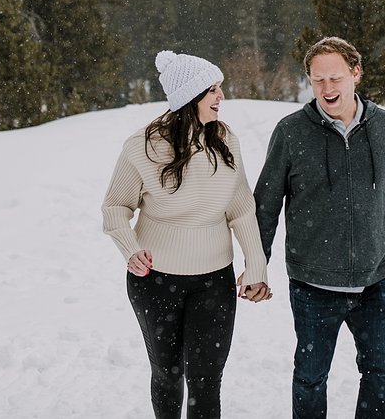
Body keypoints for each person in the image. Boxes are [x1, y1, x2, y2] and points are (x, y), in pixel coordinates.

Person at [254, 36, 385, 418]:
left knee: (380, 375)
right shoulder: (291, 132)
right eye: (317, 80)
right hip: (313, 286)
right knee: (309, 378)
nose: (327, 89)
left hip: (377, 284)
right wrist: (257, 267)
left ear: (356, 73)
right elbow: (265, 206)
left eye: (335, 78)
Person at [102, 50, 272, 419]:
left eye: (220, 88)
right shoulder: (143, 146)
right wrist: (130, 250)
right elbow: (115, 208)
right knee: (167, 374)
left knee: (207, 379)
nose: (221, 97)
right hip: (155, 281)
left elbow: (241, 207)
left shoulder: (226, 140)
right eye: (212, 89)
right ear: (188, 98)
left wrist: (256, 264)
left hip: (214, 281)